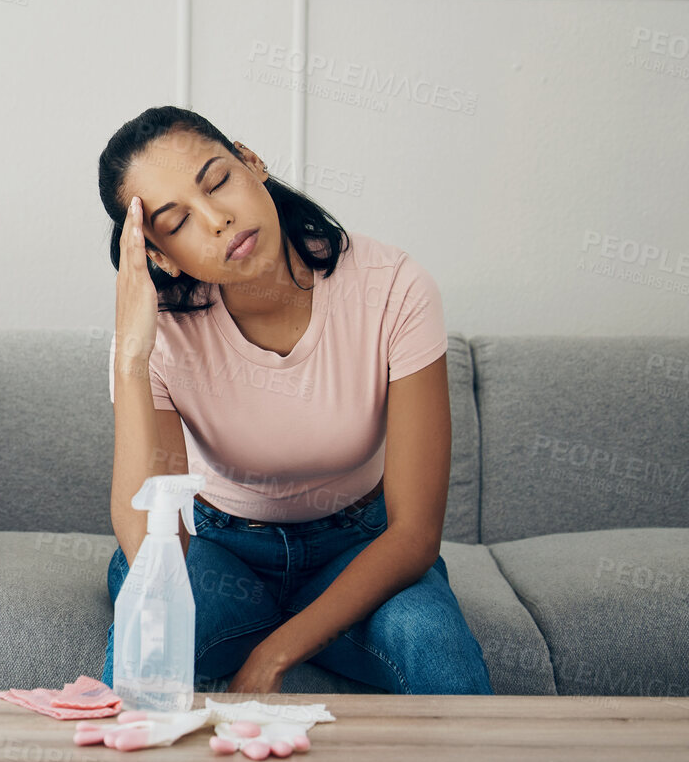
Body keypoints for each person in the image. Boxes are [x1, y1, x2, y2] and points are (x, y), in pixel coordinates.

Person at [98, 106, 494, 696]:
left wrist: (274, 655)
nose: (218, 220)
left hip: (362, 548)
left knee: (434, 641)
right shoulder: (156, 333)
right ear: (158, 255)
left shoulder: (392, 287)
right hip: (217, 551)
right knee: (145, 638)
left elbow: (414, 533)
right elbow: (149, 548)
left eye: (218, 181)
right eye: (178, 222)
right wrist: (131, 358)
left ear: (251, 161)